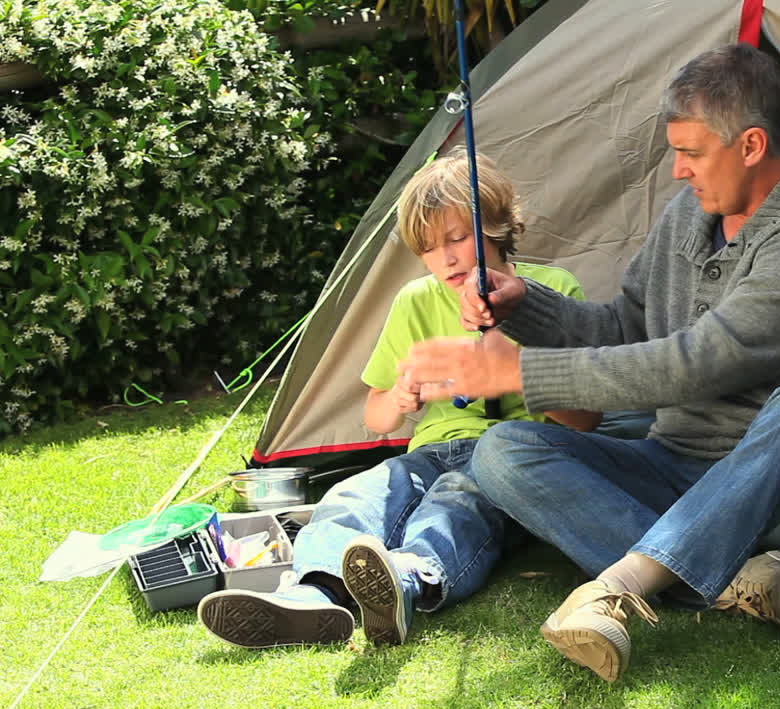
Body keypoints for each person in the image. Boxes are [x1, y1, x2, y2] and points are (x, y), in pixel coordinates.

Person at [399, 43, 780, 682]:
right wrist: (523, 305)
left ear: (752, 146)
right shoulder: (692, 210)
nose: (678, 171)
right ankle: (732, 580)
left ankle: (624, 583)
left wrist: (515, 373)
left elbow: (697, 365)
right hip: (677, 464)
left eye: (690, 153)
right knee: (502, 452)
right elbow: (623, 325)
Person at [197, 149, 598, 649]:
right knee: (349, 496)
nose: (447, 258)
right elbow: (376, 415)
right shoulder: (415, 300)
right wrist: (402, 396)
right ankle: (314, 596)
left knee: (455, 505)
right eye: (429, 248)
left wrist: (513, 374)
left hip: (515, 459)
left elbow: (586, 420)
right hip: (433, 449)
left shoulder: (553, 290)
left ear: (495, 227)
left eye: (458, 238)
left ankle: (405, 581)